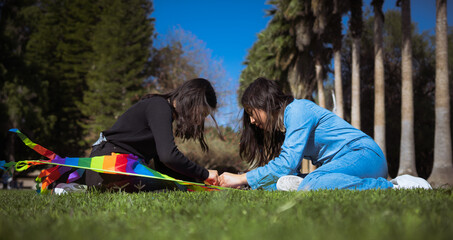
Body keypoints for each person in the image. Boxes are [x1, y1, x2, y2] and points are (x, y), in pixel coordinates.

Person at [218, 77, 431, 191]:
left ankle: (396, 186)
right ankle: (304, 185)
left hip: (365, 155)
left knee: (313, 182)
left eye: (252, 113)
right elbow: (286, 169)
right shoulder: (286, 124)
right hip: (343, 167)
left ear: (264, 102)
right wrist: (249, 183)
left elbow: (285, 164)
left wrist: (241, 177)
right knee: (283, 182)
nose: (252, 121)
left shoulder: (298, 110)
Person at [81, 78, 220, 192]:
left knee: (177, 187)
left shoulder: (161, 111)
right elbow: (169, 156)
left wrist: (199, 183)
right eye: (201, 114)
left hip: (112, 171)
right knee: (171, 188)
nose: (199, 120)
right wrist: (205, 173)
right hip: (109, 169)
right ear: (191, 101)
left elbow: (164, 166)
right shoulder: (159, 106)